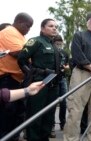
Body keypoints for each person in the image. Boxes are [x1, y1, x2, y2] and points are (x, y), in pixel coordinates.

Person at [63, 10, 91, 141]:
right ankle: (71, 139)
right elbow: (76, 54)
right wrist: (89, 66)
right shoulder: (79, 35)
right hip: (82, 74)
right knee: (75, 110)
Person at [17, 18, 60, 141]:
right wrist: (31, 73)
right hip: (39, 84)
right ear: (42, 28)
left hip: (53, 85)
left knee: (49, 117)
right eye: (51, 26)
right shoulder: (36, 41)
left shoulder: (54, 45)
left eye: (55, 26)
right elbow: (21, 59)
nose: (54, 28)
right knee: (35, 116)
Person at [0, 12, 33, 140]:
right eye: (27, 26)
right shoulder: (10, 31)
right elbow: (19, 53)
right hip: (7, 79)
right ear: (19, 22)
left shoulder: (20, 36)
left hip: (16, 80)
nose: (29, 29)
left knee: (17, 115)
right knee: (7, 117)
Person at [53, 34, 69, 130]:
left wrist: (66, 67)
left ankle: (63, 123)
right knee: (53, 102)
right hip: (53, 78)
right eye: (57, 44)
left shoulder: (65, 53)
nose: (59, 45)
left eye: (60, 44)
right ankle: (52, 125)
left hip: (62, 78)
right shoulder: (52, 51)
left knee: (63, 102)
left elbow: (67, 64)